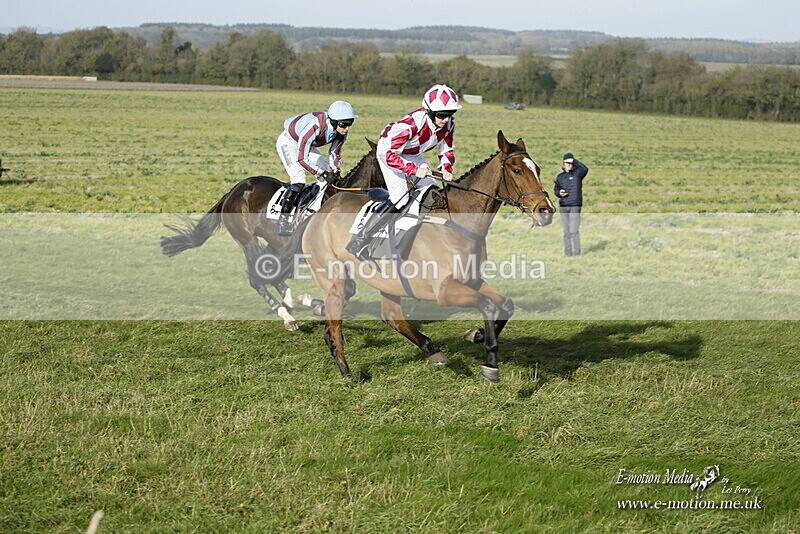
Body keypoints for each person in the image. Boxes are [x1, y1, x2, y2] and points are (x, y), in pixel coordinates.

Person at [345, 84, 461, 261]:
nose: (446, 119)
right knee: (401, 198)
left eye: (451, 113)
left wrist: (446, 168)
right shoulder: (410, 126)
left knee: (432, 192)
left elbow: (446, 150)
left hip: (412, 153)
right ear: (429, 111)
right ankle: (360, 241)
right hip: (389, 153)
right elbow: (389, 155)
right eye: (441, 115)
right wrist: (414, 170)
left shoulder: (449, 124)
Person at [274, 100, 358, 235]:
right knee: (299, 180)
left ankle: (314, 213)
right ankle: (282, 222)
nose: (347, 128)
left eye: (350, 124)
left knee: (326, 182)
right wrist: (322, 172)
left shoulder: (341, 131)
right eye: (344, 124)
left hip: (309, 145)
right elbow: (302, 159)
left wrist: (335, 171)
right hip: (289, 143)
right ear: (333, 121)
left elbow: (335, 152)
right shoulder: (315, 126)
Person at [553, 152, 589, 256]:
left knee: (574, 231)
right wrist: (559, 193)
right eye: (566, 163)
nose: (568, 165)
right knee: (566, 232)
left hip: (575, 206)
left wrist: (573, 160)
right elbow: (556, 190)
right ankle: (568, 253)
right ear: (563, 164)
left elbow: (585, 169)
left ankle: (577, 253)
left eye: (570, 163)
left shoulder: (578, 174)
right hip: (563, 206)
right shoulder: (560, 176)